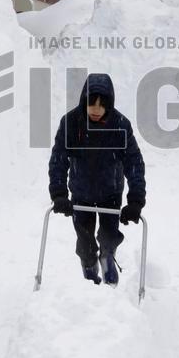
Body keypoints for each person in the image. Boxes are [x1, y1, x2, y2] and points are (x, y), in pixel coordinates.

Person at [48, 73, 146, 285]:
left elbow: (134, 162)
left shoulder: (120, 125)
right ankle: (89, 265)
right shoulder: (71, 123)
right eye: (91, 103)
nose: (96, 109)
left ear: (109, 104)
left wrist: (136, 200)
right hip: (81, 193)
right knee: (85, 242)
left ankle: (107, 256)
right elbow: (58, 159)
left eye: (102, 104)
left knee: (109, 236)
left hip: (110, 192)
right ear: (84, 100)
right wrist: (59, 194)